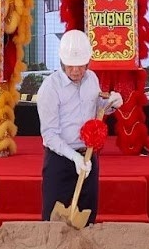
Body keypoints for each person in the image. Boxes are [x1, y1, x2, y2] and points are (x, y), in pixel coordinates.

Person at [36, 30, 122, 225]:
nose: (75, 70)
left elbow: (98, 108)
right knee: (54, 218)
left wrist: (112, 104)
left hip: (89, 156)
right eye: (70, 65)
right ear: (61, 61)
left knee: (87, 216)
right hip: (60, 160)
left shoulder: (92, 79)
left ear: (88, 62)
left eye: (81, 65)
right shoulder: (50, 88)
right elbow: (49, 134)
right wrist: (73, 156)